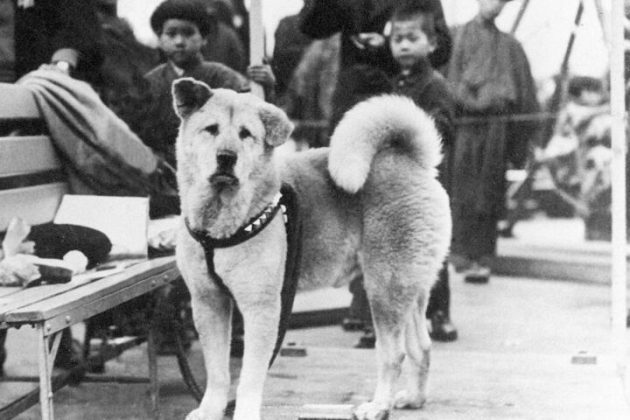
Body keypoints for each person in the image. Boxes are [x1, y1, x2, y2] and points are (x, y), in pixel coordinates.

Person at [0, 0, 103, 375]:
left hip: (33, 107)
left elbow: (80, 26)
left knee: (35, 216)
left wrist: (62, 61)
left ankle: (60, 342)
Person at [446, 0, 540, 283]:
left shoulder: (510, 46)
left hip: (495, 130)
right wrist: (470, 100)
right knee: (460, 187)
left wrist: (521, 138)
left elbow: (524, 96)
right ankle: (460, 254)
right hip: (463, 126)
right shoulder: (456, 36)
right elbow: (448, 81)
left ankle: (483, 256)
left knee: (489, 189)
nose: (495, 5)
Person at [140, 0, 275, 173]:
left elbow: (255, 115)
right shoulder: (149, 83)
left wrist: (268, 87)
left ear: (204, 39)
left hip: (215, 170)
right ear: (159, 39)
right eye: (171, 34)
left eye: (188, 33)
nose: (180, 41)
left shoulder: (224, 78)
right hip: (162, 172)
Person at [389, 1, 458, 341]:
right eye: (397, 38)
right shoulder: (393, 84)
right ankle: (403, 316)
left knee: (431, 248)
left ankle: (440, 312)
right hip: (398, 180)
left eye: (411, 37)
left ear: (431, 44)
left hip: (429, 179)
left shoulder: (436, 85)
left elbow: (443, 127)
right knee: (400, 247)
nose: (403, 44)